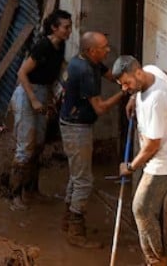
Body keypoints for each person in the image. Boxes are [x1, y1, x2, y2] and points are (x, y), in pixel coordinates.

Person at [113, 56, 167, 266]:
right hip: (163, 151)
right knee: (144, 207)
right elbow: (163, 72)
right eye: (122, 85)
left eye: (127, 83)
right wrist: (133, 99)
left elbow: (151, 146)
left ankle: (156, 261)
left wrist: (130, 167)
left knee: (142, 208)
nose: (125, 88)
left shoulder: (156, 101)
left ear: (138, 73)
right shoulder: (150, 70)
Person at [58, 31, 125, 248]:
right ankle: (76, 231)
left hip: (73, 123)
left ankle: (68, 221)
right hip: (76, 128)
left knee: (76, 176)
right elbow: (100, 108)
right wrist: (125, 93)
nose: (108, 50)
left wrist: (129, 76)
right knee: (84, 181)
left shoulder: (89, 61)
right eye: (104, 47)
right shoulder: (85, 70)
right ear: (91, 50)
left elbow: (110, 76)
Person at [9, 9, 72, 210]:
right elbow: (22, 73)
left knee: (38, 145)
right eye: (66, 27)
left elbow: (55, 73)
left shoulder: (60, 46)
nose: (69, 31)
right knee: (25, 146)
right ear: (54, 28)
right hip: (28, 93)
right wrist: (34, 100)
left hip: (44, 92)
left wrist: (52, 96)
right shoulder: (43, 46)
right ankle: (15, 196)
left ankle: (32, 190)